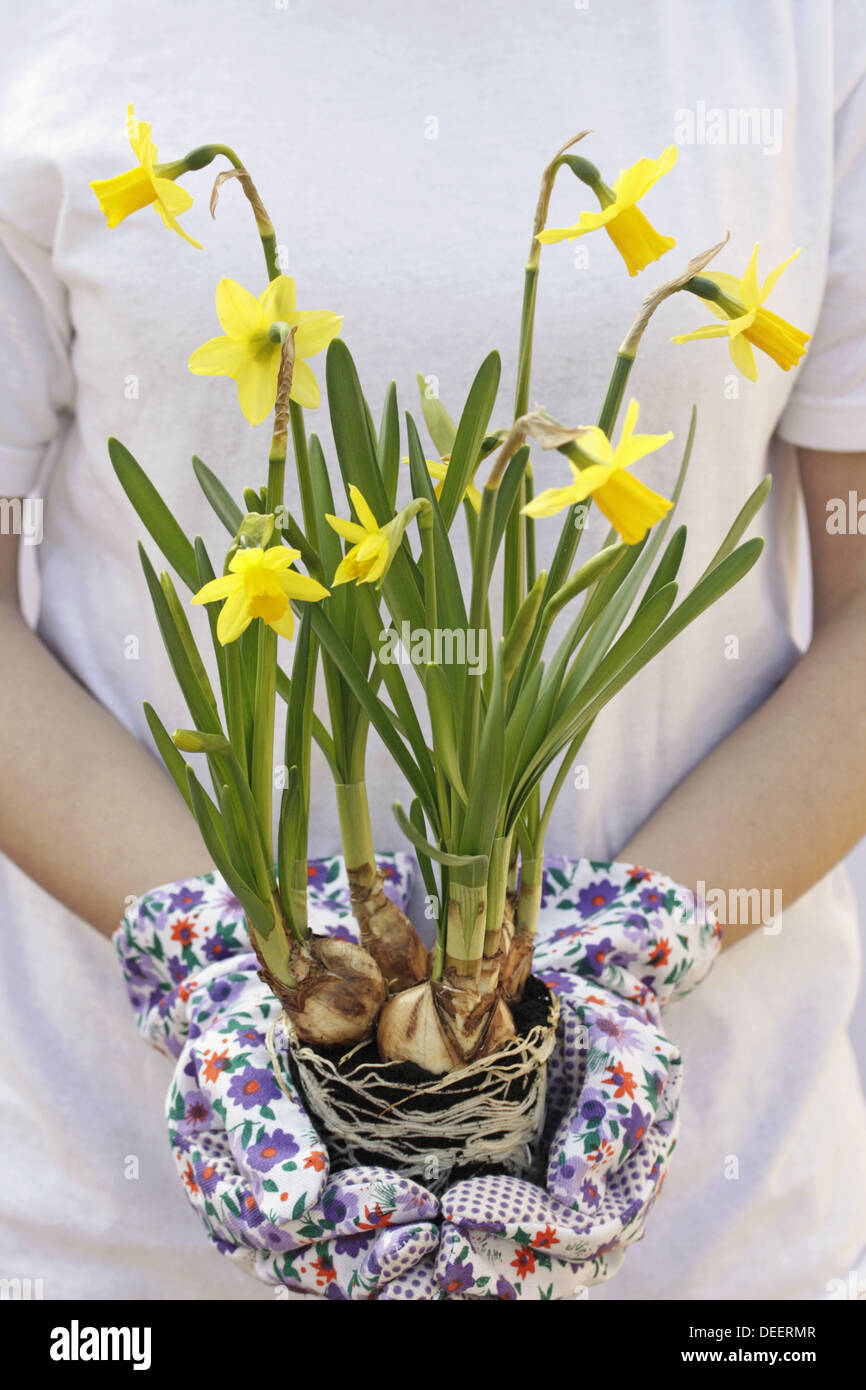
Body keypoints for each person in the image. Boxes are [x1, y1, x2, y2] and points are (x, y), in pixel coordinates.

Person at [0, 0, 864, 1301]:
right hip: (128, 1254)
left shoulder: (804, 28)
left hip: (711, 1245)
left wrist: (621, 948)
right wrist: (224, 954)